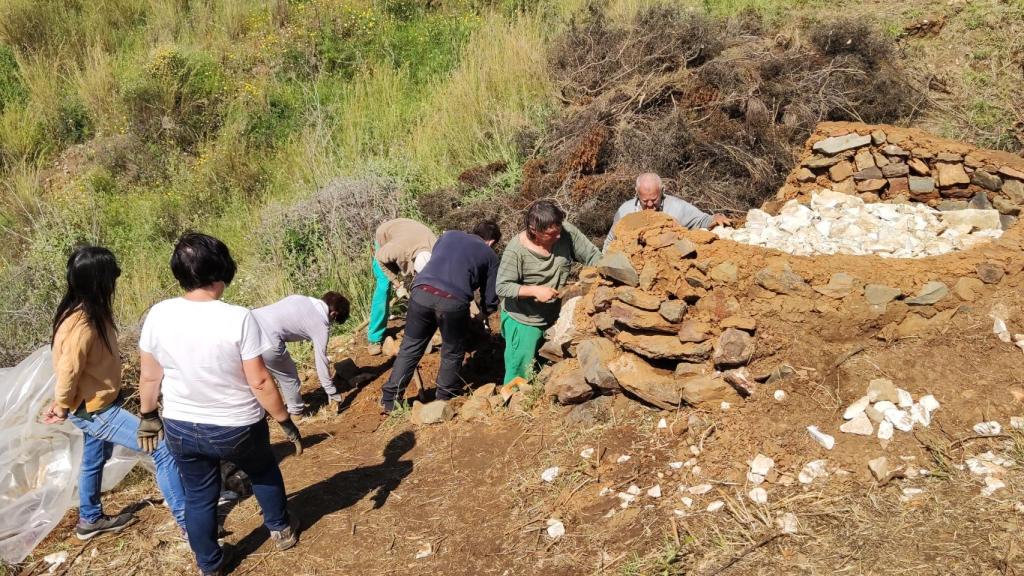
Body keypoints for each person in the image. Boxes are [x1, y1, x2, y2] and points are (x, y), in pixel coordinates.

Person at [136, 233, 302, 576]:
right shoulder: (238, 317)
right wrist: (284, 420)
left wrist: (148, 415)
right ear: (221, 269)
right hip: (237, 424)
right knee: (262, 470)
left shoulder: (158, 314)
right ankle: (281, 529)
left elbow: (150, 377)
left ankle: (209, 565)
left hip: (182, 423)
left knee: (198, 496)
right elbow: (259, 380)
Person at [44, 246, 187, 540]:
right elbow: (68, 368)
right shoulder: (83, 322)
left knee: (93, 460)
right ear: (99, 281)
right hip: (96, 410)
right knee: (161, 447)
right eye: (112, 275)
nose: (116, 279)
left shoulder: (84, 311)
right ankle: (191, 526)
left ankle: (89, 519)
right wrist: (60, 405)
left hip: (96, 404)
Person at [380, 220, 502, 413]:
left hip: (421, 291)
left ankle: (390, 399)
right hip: (453, 301)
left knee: (410, 347)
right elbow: (491, 295)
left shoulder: (448, 236)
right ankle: (443, 399)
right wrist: (484, 313)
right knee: (452, 351)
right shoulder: (490, 255)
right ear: (491, 241)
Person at [497, 200, 601, 384]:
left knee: (547, 372)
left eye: (559, 230)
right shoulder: (516, 250)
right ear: (534, 230)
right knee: (520, 375)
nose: (558, 237)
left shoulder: (565, 232)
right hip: (523, 320)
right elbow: (502, 286)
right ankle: (513, 409)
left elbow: (593, 256)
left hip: (554, 317)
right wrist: (534, 290)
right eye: (551, 234)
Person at [253, 292, 350, 418]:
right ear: (333, 314)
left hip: (249, 322)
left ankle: (255, 411)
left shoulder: (300, 298)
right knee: (288, 375)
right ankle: (296, 412)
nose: (331, 323)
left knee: (252, 374)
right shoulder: (321, 324)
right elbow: (321, 360)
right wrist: (331, 391)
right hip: (267, 338)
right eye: (334, 321)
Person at [602, 172, 731, 251]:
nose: (650, 205)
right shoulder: (625, 211)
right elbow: (609, 243)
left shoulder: (677, 207)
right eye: (645, 201)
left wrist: (715, 218)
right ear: (637, 194)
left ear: (662, 191)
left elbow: (702, 220)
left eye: (654, 199)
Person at [367, 218, 437, 356]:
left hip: (412, 235)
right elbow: (380, 260)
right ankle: (374, 337)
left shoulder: (437, 250)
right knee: (384, 286)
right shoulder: (395, 250)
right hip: (386, 237)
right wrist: (397, 283)